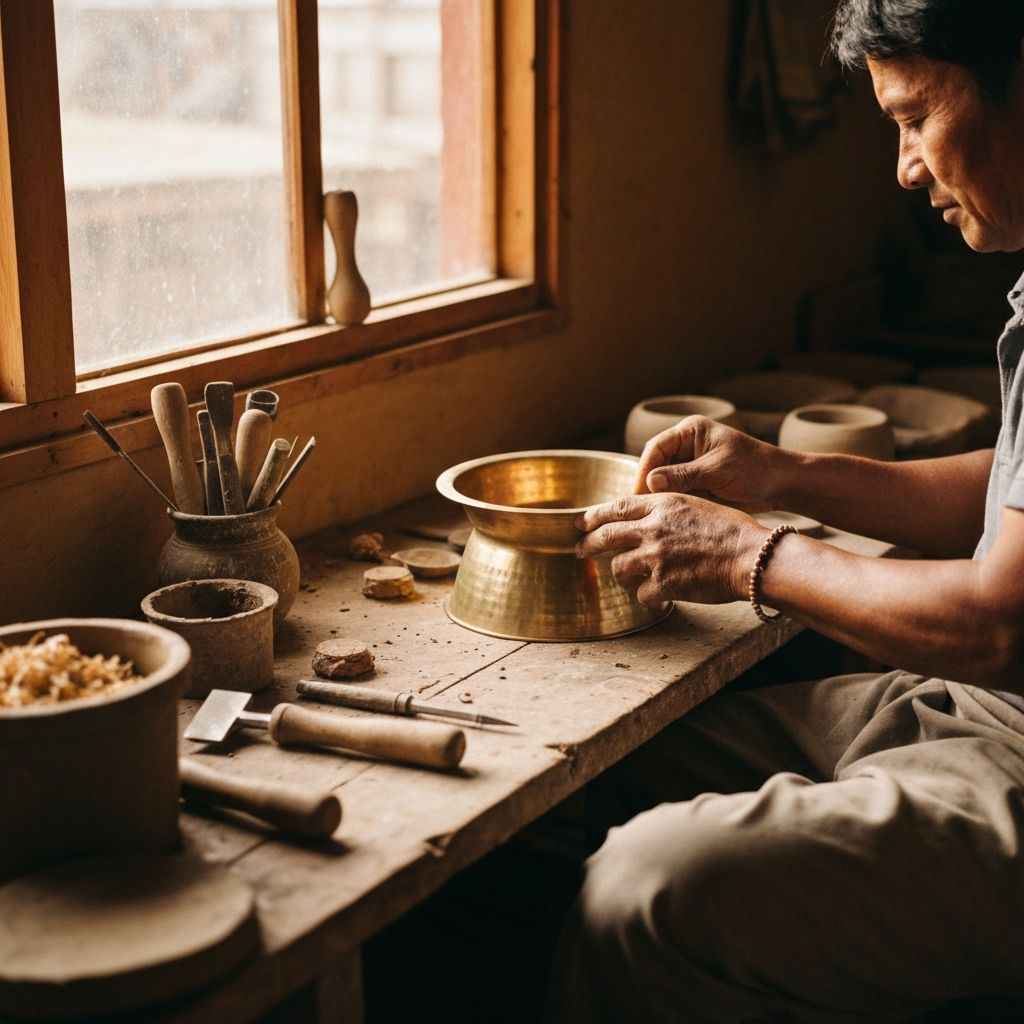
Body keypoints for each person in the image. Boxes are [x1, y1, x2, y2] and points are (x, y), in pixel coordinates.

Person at [545, 2, 1024, 1021]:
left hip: (1010, 727)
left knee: (645, 887)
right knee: (604, 780)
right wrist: (777, 473)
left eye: (913, 118)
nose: (903, 169)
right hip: (992, 711)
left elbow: (994, 623)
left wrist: (751, 555)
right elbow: (1008, 494)